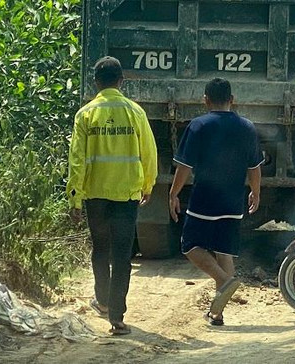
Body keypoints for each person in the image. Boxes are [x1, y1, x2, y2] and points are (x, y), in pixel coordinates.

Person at [67, 56, 157, 335]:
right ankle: (117, 317)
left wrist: (75, 197)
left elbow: (77, 160)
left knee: (100, 248)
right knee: (121, 254)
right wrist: (148, 185)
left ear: (95, 82)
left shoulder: (85, 114)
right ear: (121, 81)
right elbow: (149, 153)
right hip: (126, 193)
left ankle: (103, 301)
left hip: (95, 194)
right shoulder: (135, 112)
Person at [168, 78, 262, 326]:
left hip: (205, 198)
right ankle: (217, 314)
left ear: (206, 100)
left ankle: (224, 280)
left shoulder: (199, 125)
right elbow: (254, 167)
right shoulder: (247, 127)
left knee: (190, 245)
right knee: (224, 251)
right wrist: (256, 192)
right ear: (232, 100)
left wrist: (173, 193)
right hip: (233, 200)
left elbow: (185, 166)